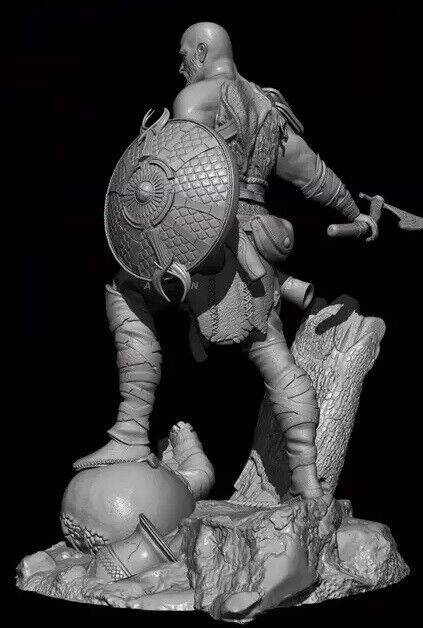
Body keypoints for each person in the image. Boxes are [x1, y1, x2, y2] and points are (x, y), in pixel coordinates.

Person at [74, 22, 377, 500]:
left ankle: (130, 430)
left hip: (206, 242)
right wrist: (355, 213)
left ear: (200, 51)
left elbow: (182, 181)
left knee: (124, 288)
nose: (180, 66)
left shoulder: (193, 100)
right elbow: (312, 172)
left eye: (183, 56)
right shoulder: (269, 109)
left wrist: (168, 255)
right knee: (275, 358)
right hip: (257, 245)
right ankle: (306, 479)